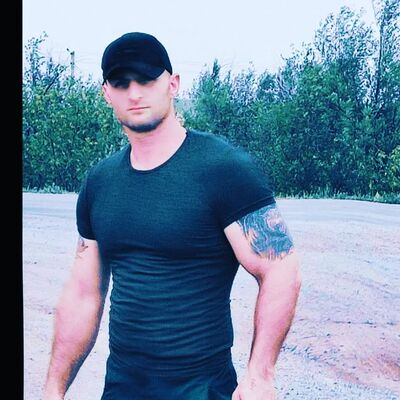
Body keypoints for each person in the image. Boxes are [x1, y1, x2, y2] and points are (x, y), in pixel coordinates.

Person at [42, 32, 302, 400]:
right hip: (122, 387)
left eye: (147, 79)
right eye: (121, 83)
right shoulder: (100, 182)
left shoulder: (222, 168)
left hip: (199, 387)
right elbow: (83, 294)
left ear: (173, 84)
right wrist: (53, 389)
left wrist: (260, 375)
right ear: (106, 93)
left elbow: (281, 267)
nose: (135, 93)